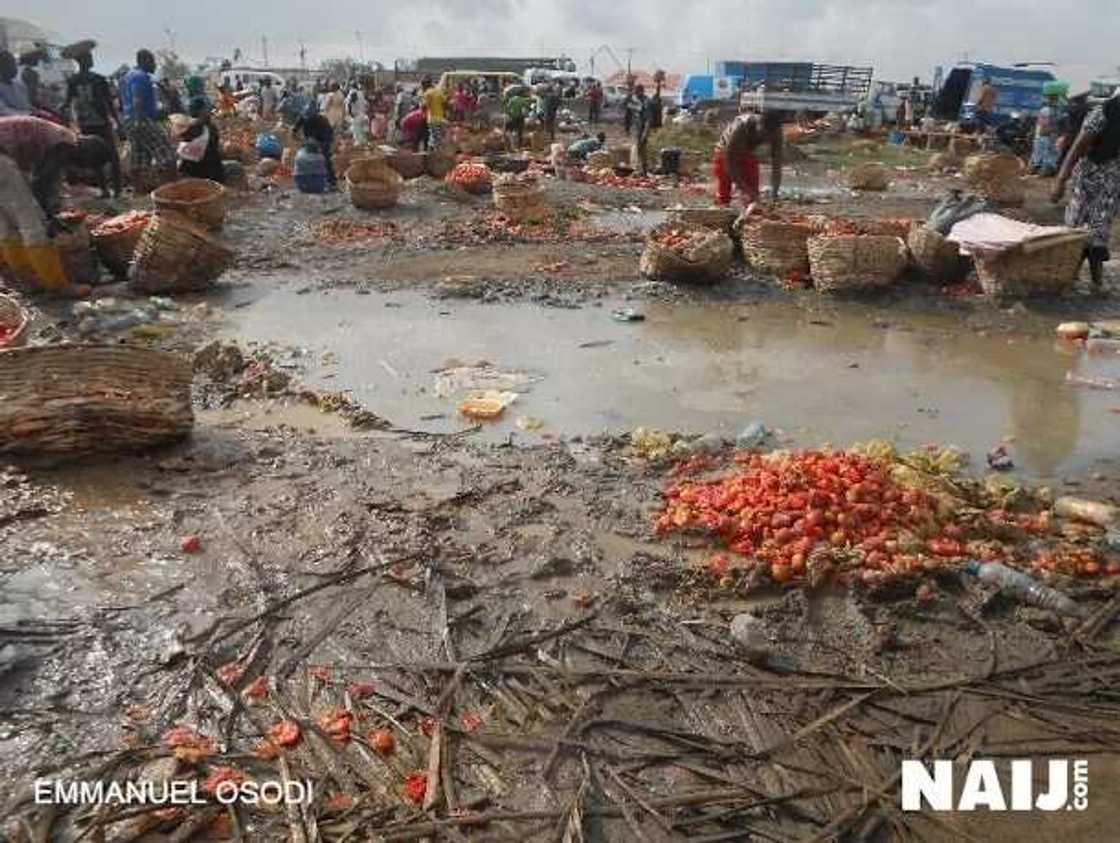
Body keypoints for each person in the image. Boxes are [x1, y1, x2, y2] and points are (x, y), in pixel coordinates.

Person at [0, 115, 82, 293]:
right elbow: (41, 183)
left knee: (7, 224)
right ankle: (58, 286)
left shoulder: (55, 134)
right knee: (32, 223)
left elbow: (39, 177)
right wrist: (48, 215)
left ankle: (27, 281)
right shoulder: (64, 143)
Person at [1052, 90, 1120, 289]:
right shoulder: (1102, 113)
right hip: (1087, 178)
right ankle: (1070, 277)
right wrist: (1060, 180)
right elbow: (1077, 147)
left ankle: (1095, 282)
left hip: (1112, 182)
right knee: (1077, 229)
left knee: (1099, 232)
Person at [63, 43, 121, 196]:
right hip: (101, 123)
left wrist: (66, 119)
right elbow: (109, 103)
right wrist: (118, 122)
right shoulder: (98, 79)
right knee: (111, 155)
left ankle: (105, 190)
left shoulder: (73, 80)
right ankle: (117, 191)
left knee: (95, 157)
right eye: (89, 57)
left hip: (85, 124)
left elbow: (67, 103)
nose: (91, 59)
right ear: (83, 61)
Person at [120, 49, 176, 186]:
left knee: (139, 157)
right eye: (152, 61)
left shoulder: (126, 77)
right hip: (142, 119)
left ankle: (138, 189)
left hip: (129, 120)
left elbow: (125, 101)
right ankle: (173, 189)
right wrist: (139, 120)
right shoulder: (141, 76)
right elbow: (137, 99)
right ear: (144, 61)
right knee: (168, 155)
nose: (154, 65)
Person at [712, 107, 783, 207]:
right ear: (759, 123)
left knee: (752, 196)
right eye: (764, 132)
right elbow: (730, 164)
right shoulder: (741, 127)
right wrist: (744, 188)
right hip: (725, 152)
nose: (766, 137)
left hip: (747, 153)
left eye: (769, 135)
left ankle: (749, 209)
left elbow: (777, 165)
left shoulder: (776, 133)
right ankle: (722, 206)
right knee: (724, 192)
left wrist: (774, 193)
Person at [175, 97, 224, 182]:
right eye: (207, 109)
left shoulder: (187, 127)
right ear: (201, 111)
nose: (209, 111)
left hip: (189, 172)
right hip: (209, 173)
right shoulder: (206, 127)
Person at [292, 100, 337, 188]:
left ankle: (332, 181)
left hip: (322, 140)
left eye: (310, 117)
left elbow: (329, 136)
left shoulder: (322, 121)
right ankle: (306, 179)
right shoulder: (303, 117)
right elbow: (294, 130)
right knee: (304, 159)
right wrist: (298, 138)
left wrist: (321, 146)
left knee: (325, 159)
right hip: (308, 140)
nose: (307, 119)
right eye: (306, 117)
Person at [1030, 92, 1064, 176]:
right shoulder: (1058, 110)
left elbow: (1040, 123)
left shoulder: (1045, 110)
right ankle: (1044, 168)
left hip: (1045, 134)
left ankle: (1038, 167)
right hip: (1050, 134)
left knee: (1042, 151)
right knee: (1049, 152)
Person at [0, 51, 32, 116]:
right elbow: (3, 110)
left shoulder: (20, 85)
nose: (14, 68)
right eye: (9, 64)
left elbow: (25, 105)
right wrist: (27, 115)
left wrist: (34, 111)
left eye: (14, 64)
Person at [421, 77, 447, 149]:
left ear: (425, 85)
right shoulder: (438, 92)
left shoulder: (427, 93)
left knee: (433, 138)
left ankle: (432, 152)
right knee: (438, 138)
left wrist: (423, 114)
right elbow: (445, 103)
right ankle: (437, 151)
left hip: (432, 119)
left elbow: (424, 106)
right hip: (440, 118)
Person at [633, 85, 651, 175]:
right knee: (639, 149)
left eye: (636, 92)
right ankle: (641, 169)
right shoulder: (637, 101)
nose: (635, 94)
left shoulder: (646, 102)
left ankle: (644, 170)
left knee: (642, 150)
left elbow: (648, 120)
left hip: (643, 129)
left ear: (641, 91)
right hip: (638, 129)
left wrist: (645, 132)